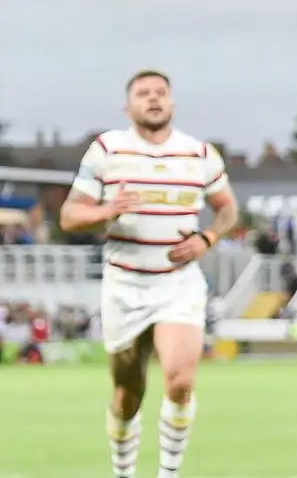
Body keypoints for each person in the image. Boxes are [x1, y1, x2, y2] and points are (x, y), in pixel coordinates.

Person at [59, 70, 239, 478]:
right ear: (128, 107)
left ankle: (168, 474)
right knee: (127, 395)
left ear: (172, 103)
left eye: (161, 93)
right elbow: (69, 216)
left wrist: (208, 237)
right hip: (125, 282)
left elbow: (228, 208)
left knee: (180, 379)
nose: (153, 99)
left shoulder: (199, 153)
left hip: (178, 283)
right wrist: (106, 211)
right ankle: (123, 472)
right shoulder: (107, 149)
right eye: (143, 94)